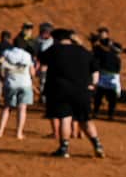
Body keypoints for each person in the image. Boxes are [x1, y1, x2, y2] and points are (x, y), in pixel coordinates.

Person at [39, 29, 104, 158]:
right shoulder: (84, 51)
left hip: (60, 90)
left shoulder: (54, 50)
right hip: (82, 91)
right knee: (86, 119)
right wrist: (92, 86)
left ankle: (64, 148)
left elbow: (41, 60)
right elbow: (95, 70)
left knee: (65, 118)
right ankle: (97, 144)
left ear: (56, 39)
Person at [0, 42, 34, 139]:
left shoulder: (7, 53)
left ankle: (0, 131)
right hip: (25, 83)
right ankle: (19, 133)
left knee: (7, 108)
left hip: (11, 83)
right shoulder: (27, 55)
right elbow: (32, 71)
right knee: (22, 108)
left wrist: (1, 76)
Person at [90, 28, 122, 120]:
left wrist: (98, 44)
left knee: (110, 97)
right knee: (100, 96)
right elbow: (95, 54)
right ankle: (97, 113)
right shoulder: (99, 49)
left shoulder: (112, 47)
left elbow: (118, 50)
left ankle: (109, 114)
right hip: (105, 75)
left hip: (111, 75)